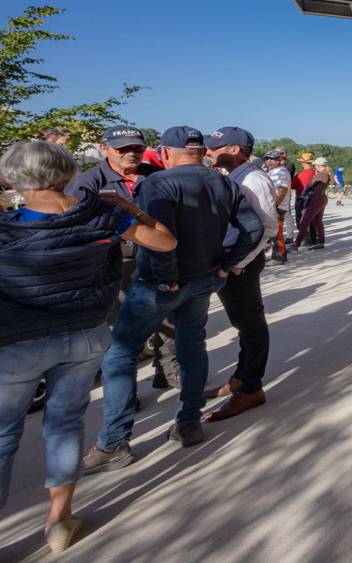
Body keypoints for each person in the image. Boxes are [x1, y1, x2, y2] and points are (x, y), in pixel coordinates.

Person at [0, 141, 176, 553]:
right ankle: (60, 519)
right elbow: (165, 242)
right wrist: (130, 208)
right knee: (65, 424)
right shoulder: (102, 214)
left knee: (4, 434)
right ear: (67, 172)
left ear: (12, 179)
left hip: (18, 341)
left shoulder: (9, 227)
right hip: (85, 332)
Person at [81, 126, 264, 472]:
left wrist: (168, 278)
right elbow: (253, 228)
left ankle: (114, 441)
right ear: (202, 152)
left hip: (163, 284)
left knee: (119, 354)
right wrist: (227, 264)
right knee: (192, 346)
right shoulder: (224, 182)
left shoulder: (158, 183)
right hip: (205, 277)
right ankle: (189, 423)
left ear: (165, 153)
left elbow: (162, 238)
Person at [64, 125, 177, 390]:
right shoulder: (88, 182)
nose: (131, 153)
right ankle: (124, 390)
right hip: (113, 263)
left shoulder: (157, 176)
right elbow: (74, 224)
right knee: (119, 329)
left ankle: (169, 371)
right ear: (105, 149)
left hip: (158, 257)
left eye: (137, 148)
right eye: (122, 149)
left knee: (167, 317)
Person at [203, 127, 279, 422]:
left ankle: (251, 388)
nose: (208, 151)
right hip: (233, 259)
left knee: (250, 324)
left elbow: (267, 228)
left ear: (235, 149)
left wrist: (238, 263)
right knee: (242, 323)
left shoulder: (254, 179)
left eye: (215, 147)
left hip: (240, 262)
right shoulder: (235, 176)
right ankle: (241, 377)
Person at [295, 157, 331, 250]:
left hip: (316, 198)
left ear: (318, 166)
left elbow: (309, 185)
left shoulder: (321, 174)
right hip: (322, 198)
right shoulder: (326, 174)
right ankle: (321, 242)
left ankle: (296, 244)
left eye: (315, 165)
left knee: (304, 221)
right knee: (318, 221)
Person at [263, 150, 292, 266]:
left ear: (279, 160)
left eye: (272, 159)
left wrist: (274, 205)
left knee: (277, 232)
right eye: (266, 158)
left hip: (278, 206)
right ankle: (279, 254)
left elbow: (282, 190)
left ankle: (279, 256)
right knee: (274, 233)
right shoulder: (273, 171)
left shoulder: (281, 172)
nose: (269, 161)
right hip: (274, 206)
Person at [291, 152, 316, 246]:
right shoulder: (315, 173)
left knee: (300, 219)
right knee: (311, 219)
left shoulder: (300, 175)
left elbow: (292, 185)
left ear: (303, 163)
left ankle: (305, 239)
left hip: (301, 198)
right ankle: (313, 238)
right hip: (313, 197)